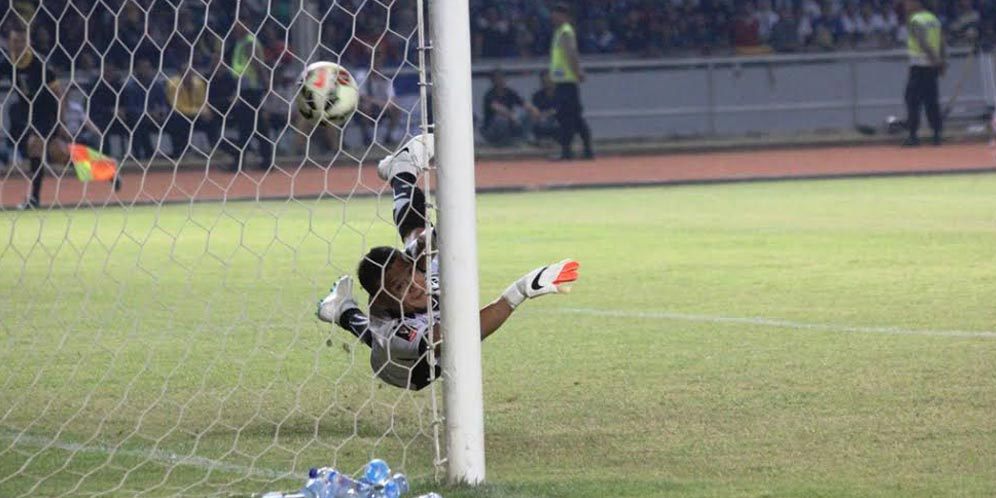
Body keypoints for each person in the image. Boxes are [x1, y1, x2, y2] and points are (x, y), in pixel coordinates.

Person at [316, 134, 581, 391]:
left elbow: (414, 259)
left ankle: (402, 170)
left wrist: (434, 236)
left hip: (415, 311)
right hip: (413, 370)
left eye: (411, 275)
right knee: (378, 336)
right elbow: (461, 337)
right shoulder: (396, 331)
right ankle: (344, 313)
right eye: (399, 287)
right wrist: (520, 290)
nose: (415, 286)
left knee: (421, 240)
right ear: (380, 301)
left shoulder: (416, 280)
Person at [1, 25, 70, 209]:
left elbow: (59, 94)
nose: (18, 45)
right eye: (15, 41)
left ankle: (34, 199)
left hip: (48, 112)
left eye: (22, 41)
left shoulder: (40, 63)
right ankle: (106, 169)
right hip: (30, 114)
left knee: (34, 146)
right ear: (9, 43)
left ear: (29, 42)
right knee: (59, 155)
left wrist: (62, 122)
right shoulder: (8, 62)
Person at [548, 3, 594, 160]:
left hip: (567, 81)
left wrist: (577, 72)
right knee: (573, 117)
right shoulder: (560, 32)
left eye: (556, 14)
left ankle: (568, 151)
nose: (553, 17)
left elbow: (571, 54)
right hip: (563, 81)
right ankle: (585, 150)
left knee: (568, 117)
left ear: (564, 16)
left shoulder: (566, 32)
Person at [903, 0, 945, 146]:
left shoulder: (915, 20)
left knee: (912, 101)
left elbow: (922, 42)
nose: (906, 4)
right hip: (931, 68)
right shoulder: (933, 20)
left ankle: (913, 136)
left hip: (919, 67)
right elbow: (941, 42)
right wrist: (941, 62)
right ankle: (937, 135)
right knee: (932, 101)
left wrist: (935, 59)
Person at [480, 71, 540, 146]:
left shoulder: (510, 92)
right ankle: (502, 142)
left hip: (511, 123)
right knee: (501, 119)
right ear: (493, 81)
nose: (500, 81)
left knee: (529, 115)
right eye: (497, 79)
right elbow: (498, 108)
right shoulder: (489, 95)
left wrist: (534, 109)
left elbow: (523, 103)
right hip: (492, 128)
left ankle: (525, 138)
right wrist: (512, 116)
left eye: (502, 78)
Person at [530, 72, 560, 144]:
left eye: (548, 80)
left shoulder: (560, 94)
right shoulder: (537, 96)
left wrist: (550, 113)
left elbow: (561, 108)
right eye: (544, 81)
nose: (546, 82)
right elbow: (535, 110)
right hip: (542, 119)